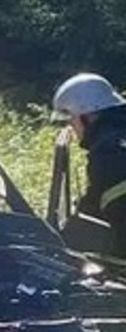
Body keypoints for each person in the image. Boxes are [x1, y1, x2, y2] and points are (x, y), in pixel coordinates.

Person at [52, 72, 126, 256]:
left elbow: (117, 214)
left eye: (72, 119)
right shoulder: (117, 138)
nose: (71, 127)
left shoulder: (109, 153)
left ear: (88, 116)